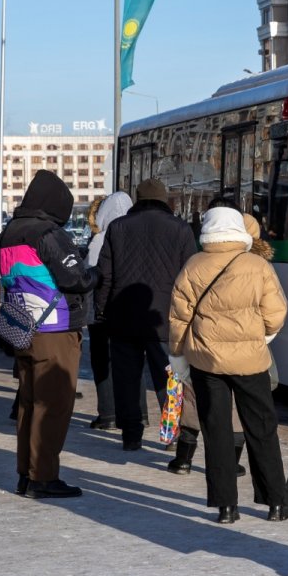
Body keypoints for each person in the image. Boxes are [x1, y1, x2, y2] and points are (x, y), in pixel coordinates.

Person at [168, 206, 288, 523]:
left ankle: (226, 507)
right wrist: (260, 338)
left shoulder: (193, 265)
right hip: (252, 362)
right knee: (262, 428)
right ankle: (276, 502)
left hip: (207, 362)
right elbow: (276, 313)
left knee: (216, 431)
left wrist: (178, 357)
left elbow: (180, 319)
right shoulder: (256, 265)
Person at [0, 170, 99, 499]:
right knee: (53, 405)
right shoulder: (48, 233)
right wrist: (96, 273)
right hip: (54, 328)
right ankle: (44, 477)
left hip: (21, 325)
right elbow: (75, 279)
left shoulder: (7, 233)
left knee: (28, 402)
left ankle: (26, 473)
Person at [95, 178, 197, 451]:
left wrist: (102, 309)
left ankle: (131, 434)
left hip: (123, 317)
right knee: (170, 378)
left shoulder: (117, 227)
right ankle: (171, 432)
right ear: (164, 200)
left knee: (126, 379)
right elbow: (190, 277)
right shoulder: (181, 229)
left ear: (138, 200)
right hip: (164, 319)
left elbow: (106, 275)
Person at [85, 191, 135, 430]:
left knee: (102, 361)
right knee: (127, 362)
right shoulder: (136, 236)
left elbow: (92, 275)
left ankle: (107, 413)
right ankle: (133, 413)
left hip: (102, 310)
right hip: (128, 310)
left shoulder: (101, 239)